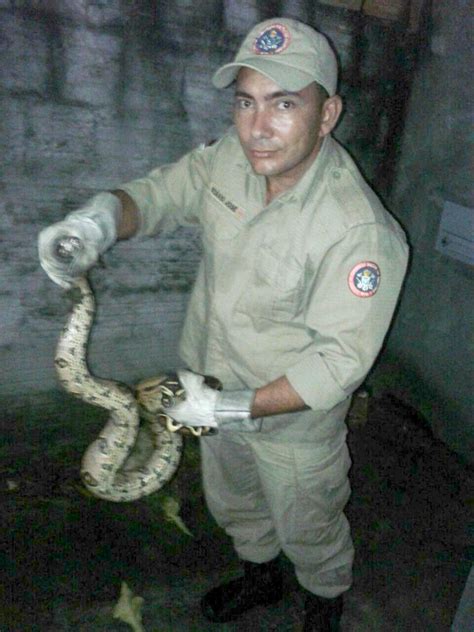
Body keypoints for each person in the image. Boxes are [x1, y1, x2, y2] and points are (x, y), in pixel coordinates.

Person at [38, 17, 409, 631]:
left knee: (309, 525)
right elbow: (157, 197)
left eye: (284, 104)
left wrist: (230, 409)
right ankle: (260, 578)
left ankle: (324, 600)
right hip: (206, 388)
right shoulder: (230, 161)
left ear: (328, 113)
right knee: (236, 506)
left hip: (291, 424)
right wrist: (97, 220)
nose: (258, 127)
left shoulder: (360, 230)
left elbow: (339, 362)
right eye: (246, 102)